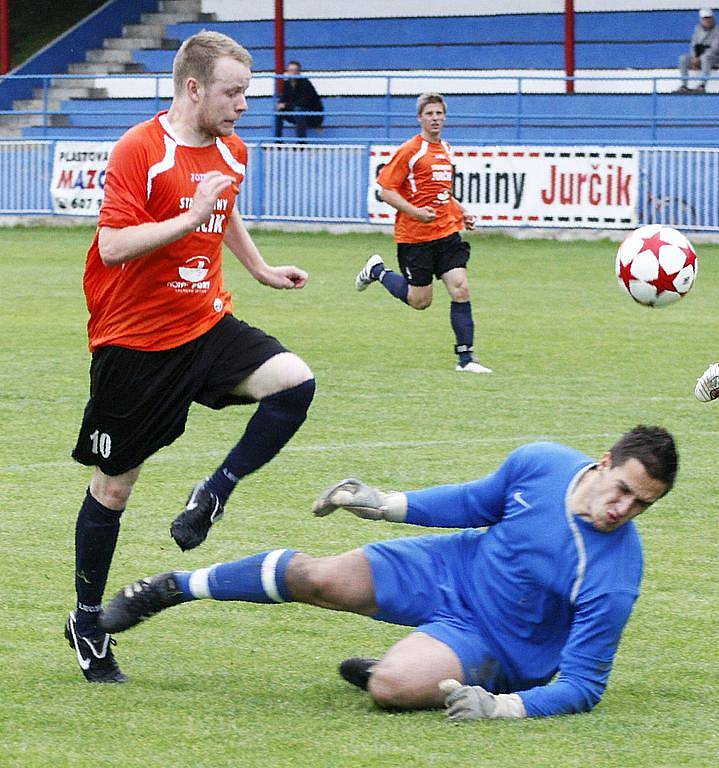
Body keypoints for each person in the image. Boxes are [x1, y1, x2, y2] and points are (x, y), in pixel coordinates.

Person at [99, 425, 678, 720]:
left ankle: (412, 671)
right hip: (454, 568)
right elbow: (475, 502)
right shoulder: (543, 463)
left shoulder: (617, 574)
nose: (623, 509)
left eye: (642, 505)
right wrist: (382, 501)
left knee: (389, 689)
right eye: (623, 490)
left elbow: (584, 686)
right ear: (603, 464)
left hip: (495, 643)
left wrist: (503, 708)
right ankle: (173, 587)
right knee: (319, 577)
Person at [65, 30, 316, 683]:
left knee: (294, 383)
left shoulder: (232, 149)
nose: (242, 105)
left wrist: (258, 269)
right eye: (232, 92)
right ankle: (88, 622)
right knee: (114, 487)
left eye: (247, 93)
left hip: (204, 322)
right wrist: (188, 216)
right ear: (193, 88)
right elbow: (116, 246)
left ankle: (214, 491)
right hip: (133, 341)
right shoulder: (139, 149)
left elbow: (222, 210)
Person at [355, 92, 490, 374]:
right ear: (420, 118)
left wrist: (462, 210)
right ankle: (378, 270)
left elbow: (443, 193)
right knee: (420, 301)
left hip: (447, 233)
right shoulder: (410, 151)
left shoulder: (447, 150)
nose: (435, 118)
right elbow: (385, 191)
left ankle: (466, 359)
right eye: (429, 114)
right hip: (415, 237)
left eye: (439, 113)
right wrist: (415, 212)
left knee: (460, 288)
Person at [274, 60, 324, 138]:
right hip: (296, 113)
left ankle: (301, 144)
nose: (293, 73)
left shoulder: (305, 83)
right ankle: (277, 142)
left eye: (295, 70)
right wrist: (279, 105)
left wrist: (285, 105)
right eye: (290, 70)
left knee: (298, 111)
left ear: (299, 72)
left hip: (313, 116)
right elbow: (283, 99)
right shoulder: (287, 83)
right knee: (278, 112)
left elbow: (303, 103)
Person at [675, 8, 719, 93]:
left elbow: (715, 48)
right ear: (701, 19)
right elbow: (693, 43)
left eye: (709, 18)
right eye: (704, 18)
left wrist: (700, 58)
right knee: (683, 58)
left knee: (706, 57)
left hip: (714, 58)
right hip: (698, 56)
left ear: (713, 18)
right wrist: (695, 57)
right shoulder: (698, 28)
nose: (707, 20)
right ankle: (684, 85)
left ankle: (702, 85)